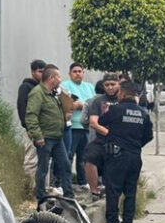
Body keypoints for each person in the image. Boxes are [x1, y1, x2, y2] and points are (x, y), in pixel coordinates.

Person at [98, 81, 154, 223]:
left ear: (122, 94)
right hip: (135, 156)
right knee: (130, 191)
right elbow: (149, 136)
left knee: (113, 191)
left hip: (117, 156)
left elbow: (101, 121)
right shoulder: (143, 113)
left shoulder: (116, 109)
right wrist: (136, 145)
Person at [25, 66, 74, 201]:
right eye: (58, 76)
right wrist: (38, 136)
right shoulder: (38, 93)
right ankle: (41, 197)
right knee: (43, 168)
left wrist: (66, 115)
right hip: (45, 138)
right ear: (51, 78)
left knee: (65, 166)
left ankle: (69, 196)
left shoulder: (53, 94)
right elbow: (31, 116)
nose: (60, 79)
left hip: (57, 138)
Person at [83, 74, 122, 198]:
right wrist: (110, 134)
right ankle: (94, 192)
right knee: (89, 156)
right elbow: (93, 122)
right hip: (102, 139)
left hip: (122, 140)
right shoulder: (98, 101)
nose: (110, 87)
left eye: (112, 84)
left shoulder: (124, 99)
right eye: (107, 85)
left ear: (118, 84)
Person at [61, 63, 95, 192]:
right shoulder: (65, 85)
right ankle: (66, 182)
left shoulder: (89, 87)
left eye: (80, 71)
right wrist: (81, 104)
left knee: (84, 156)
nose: (77, 73)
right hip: (72, 127)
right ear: (70, 73)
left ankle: (83, 181)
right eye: (74, 71)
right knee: (69, 155)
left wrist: (81, 104)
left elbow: (93, 104)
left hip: (87, 127)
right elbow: (68, 104)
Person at [16, 59, 47, 178]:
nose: (42, 74)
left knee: (44, 159)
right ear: (33, 72)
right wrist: (27, 127)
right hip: (31, 128)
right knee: (31, 158)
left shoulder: (44, 88)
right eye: (40, 71)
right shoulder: (25, 87)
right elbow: (22, 107)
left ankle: (42, 188)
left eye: (44, 72)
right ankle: (29, 186)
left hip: (44, 128)